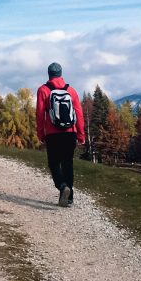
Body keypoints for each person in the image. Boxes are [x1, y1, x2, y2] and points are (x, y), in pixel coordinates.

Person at [35, 62, 85, 207]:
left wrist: (41, 134)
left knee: (54, 163)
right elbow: (79, 114)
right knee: (68, 163)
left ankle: (63, 187)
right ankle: (69, 199)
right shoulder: (71, 90)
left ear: (49, 74)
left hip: (53, 134)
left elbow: (39, 114)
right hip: (70, 133)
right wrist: (81, 135)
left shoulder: (43, 90)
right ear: (61, 74)